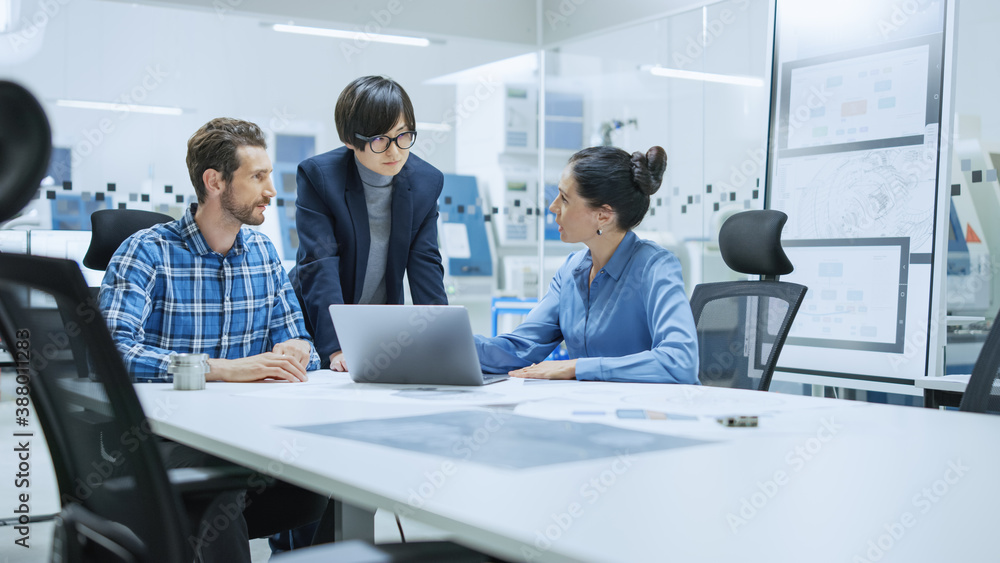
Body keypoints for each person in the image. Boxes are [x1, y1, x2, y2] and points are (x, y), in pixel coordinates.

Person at [99, 117, 326, 562]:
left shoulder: (262, 254)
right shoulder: (146, 251)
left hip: (244, 434)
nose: (271, 190)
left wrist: (297, 351)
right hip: (158, 441)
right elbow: (111, 353)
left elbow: (298, 340)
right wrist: (220, 368)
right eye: (257, 177)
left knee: (335, 470)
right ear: (214, 181)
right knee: (215, 486)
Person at [475, 146, 699, 383]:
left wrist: (579, 367)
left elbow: (680, 362)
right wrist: (448, 344)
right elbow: (519, 348)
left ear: (603, 215)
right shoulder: (572, 270)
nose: (553, 207)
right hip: (590, 409)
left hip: (649, 414)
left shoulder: (655, 267)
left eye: (564, 198)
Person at [291, 75, 448, 371]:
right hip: (316, 326)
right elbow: (319, 264)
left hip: (377, 327)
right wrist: (337, 348)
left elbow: (425, 264)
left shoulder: (427, 182)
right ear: (350, 140)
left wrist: (443, 344)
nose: (395, 151)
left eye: (403, 136)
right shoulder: (320, 177)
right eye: (379, 139)